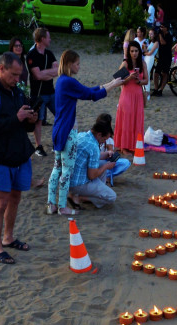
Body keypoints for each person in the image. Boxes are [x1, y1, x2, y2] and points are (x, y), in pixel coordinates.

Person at [0, 52, 37, 264]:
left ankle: (9, 237)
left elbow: (23, 126)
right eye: (13, 75)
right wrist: (16, 118)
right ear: (1, 69)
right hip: (0, 156)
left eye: (19, 75)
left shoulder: (17, 92)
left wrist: (30, 120)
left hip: (19, 154)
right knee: (1, 202)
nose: (17, 80)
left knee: (15, 199)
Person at [46, 50, 123, 216]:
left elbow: (89, 90)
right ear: (69, 64)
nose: (79, 67)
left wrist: (110, 84)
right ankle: (61, 207)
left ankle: (51, 204)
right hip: (68, 132)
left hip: (59, 130)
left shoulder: (62, 81)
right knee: (65, 171)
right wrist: (113, 85)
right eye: (77, 63)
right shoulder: (67, 81)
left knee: (57, 169)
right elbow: (90, 95)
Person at [68, 117, 119, 209]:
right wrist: (106, 167)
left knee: (102, 163)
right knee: (112, 197)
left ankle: (93, 192)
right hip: (78, 184)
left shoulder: (82, 135)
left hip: (68, 178)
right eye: (104, 139)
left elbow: (91, 156)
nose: (104, 142)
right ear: (99, 135)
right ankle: (79, 198)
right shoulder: (94, 146)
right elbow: (92, 175)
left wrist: (106, 154)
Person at [27, 28, 58, 157]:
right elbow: (37, 75)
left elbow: (57, 70)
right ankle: (38, 146)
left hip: (51, 92)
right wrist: (48, 73)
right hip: (38, 94)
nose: (50, 39)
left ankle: (57, 143)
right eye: (48, 37)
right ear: (42, 39)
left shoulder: (49, 54)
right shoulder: (31, 55)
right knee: (38, 120)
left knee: (60, 115)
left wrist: (45, 73)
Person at [114, 41, 148, 152]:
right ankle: (124, 147)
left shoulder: (142, 64)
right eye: (132, 51)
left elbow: (146, 80)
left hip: (138, 95)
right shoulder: (125, 64)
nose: (134, 53)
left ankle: (134, 145)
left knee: (136, 120)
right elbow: (118, 81)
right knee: (126, 120)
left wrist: (139, 81)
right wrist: (129, 77)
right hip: (126, 95)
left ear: (139, 51)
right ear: (128, 52)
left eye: (136, 51)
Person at [152, 21, 173, 97]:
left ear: (166, 28)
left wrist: (160, 35)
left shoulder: (169, 36)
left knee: (165, 73)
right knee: (156, 73)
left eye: (162, 27)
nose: (160, 28)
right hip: (161, 57)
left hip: (167, 57)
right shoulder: (159, 34)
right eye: (160, 27)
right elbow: (154, 41)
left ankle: (161, 90)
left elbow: (163, 42)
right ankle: (155, 88)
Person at [143, 28, 159, 100]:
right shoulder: (150, 42)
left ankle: (147, 92)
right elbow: (147, 50)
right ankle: (144, 91)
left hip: (150, 58)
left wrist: (144, 53)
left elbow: (150, 53)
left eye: (151, 34)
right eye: (149, 34)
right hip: (147, 57)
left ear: (154, 34)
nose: (150, 35)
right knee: (145, 73)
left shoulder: (156, 43)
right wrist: (144, 48)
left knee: (147, 74)